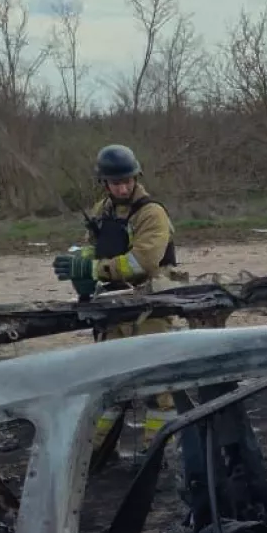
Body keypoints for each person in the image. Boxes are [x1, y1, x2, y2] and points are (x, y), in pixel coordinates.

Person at [52, 144, 180, 452]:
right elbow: (93, 248)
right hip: (112, 304)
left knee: (158, 387)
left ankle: (155, 452)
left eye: (127, 180)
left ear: (136, 177)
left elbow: (142, 262)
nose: (122, 187)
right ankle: (92, 452)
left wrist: (94, 267)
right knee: (108, 383)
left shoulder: (152, 213)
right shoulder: (102, 211)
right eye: (115, 182)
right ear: (105, 183)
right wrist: (76, 264)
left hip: (150, 307)